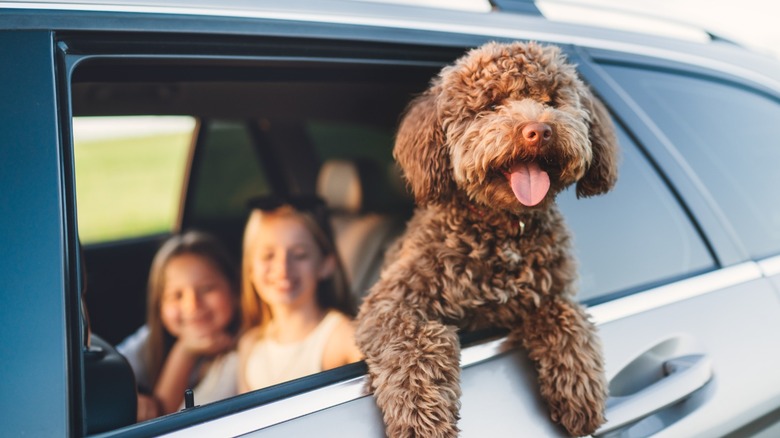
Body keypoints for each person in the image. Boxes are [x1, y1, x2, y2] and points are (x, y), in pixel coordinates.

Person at [237, 195, 363, 392]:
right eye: (268, 256)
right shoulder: (250, 345)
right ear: (250, 268)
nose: (283, 268)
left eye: (299, 255)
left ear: (326, 264)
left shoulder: (342, 338)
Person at [117, 231, 240, 421]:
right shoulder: (150, 338)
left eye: (207, 289)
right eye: (177, 296)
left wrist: (184, 351)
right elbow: (107, 378)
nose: (193, 305)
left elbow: (163, 420)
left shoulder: (240, 354)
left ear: (233, 289)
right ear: (159, 306)